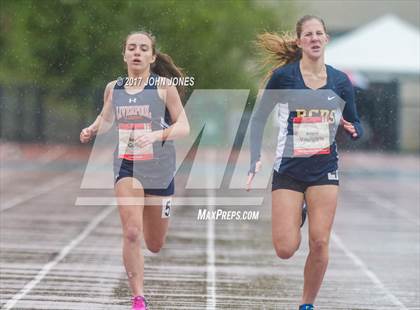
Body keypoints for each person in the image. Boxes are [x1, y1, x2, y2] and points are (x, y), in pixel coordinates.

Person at [246, 15, 363, 310]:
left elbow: (356, 121)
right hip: (288, 171)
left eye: (318, 33)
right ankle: (298, 212)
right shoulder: (284, 77)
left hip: (324, 170)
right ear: (299, 42)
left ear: (326, 40)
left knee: (320, 242)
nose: (314, 38)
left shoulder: (340, 81)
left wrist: (354, 129)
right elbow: (258, 119)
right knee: (285, 249)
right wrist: (254, 158)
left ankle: (307, 304)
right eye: (308, 34)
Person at [80, 31, 190, 310]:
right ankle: (138, 298)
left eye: (143, 48)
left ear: (152, 57)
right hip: (127, 166)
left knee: (154, 243)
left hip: (160, 169)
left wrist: (155, 136)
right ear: (125, 55)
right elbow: (106, 119)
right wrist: (93, 128)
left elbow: (184, 126)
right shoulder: (114, 88)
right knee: (131, 232)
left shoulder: (164, 87)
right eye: (132, 48)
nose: (137, 52)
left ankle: (141, 286)